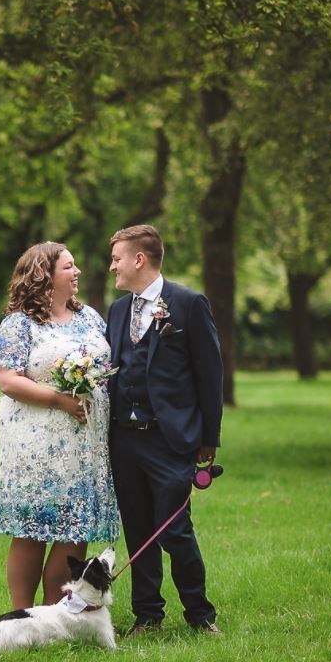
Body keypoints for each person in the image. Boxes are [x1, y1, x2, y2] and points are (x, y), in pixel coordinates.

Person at [0, 241, 120, 609]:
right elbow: (8, 380)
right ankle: (20, 614)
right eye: (69, 267)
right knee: (32, 529)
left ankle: (55, 614)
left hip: (86, 442)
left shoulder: (90, 318)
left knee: (76, 526)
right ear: (44, 275)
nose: (77, 272)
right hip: (36, 440)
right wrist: (59, 400)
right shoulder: (19, 325)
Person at [105, 225, 223, 634]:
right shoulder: (118, 310)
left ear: (139, 259)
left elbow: (211, 375)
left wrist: (209, 438)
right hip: (123, 439)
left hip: (170, 437)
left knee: (174, 527)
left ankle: (200, 615)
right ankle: (148, 615)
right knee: (138, 528)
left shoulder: (188, 304)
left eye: (117, 258)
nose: (111, 267)